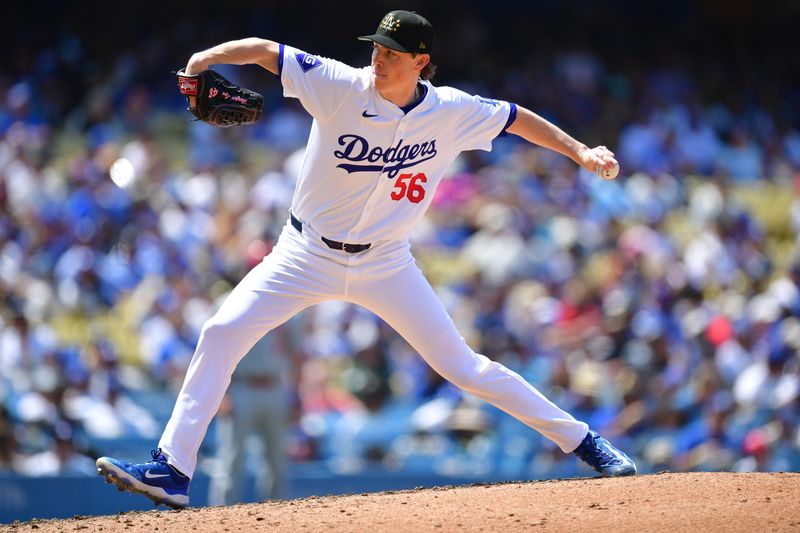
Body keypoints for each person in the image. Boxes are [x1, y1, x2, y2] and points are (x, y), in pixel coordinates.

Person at [96, 10, 636, 509]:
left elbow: (517, 119)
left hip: (387, 264)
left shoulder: (451, 110)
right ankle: (173, 470)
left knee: (465, 368)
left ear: (420, 61)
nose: (378, 58)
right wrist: (205, 60)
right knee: (220, 333)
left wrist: (581, 151)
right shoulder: (338, 84)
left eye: (392, 53)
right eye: (377, 47)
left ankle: (585, 443)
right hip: (303, 253)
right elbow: (263, 50)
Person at [208, 325, 294, 505]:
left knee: (276, 459)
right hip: (241, 387)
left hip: (275, 387)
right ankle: (221, 515)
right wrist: (221, 394)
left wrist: (296, 394)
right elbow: (214, 352)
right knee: (231, 458)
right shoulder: (224, 305)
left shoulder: (286, 303)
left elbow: (295, 350)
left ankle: (275, 515)